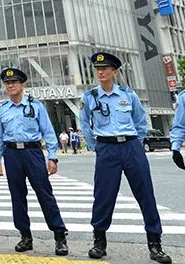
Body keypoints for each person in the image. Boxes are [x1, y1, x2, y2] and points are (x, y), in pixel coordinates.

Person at [79, 52, 171, 263]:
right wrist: (96, 147)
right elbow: (84, 123)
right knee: (103, 196)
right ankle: (99, 242)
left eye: (105, 68)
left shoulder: (128, 95)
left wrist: (135, 145)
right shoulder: (89, 97)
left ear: (115, 72)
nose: (100, 72)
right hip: (106, 149)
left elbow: (140, 121)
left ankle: (155, 244)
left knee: (146, 194)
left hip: (130, 147)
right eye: (98, 69)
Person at [0, 68, 68, 256]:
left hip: (32, 152)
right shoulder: (2, 110)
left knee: (45, 193)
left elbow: (48, 132)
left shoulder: (36, 106)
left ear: (22, 85)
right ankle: (25, 236)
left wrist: (52, 156)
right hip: (11, 155)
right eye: (7, 83)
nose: (10, 85)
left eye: (14, 82)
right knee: (17, 197)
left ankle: (59, 235)